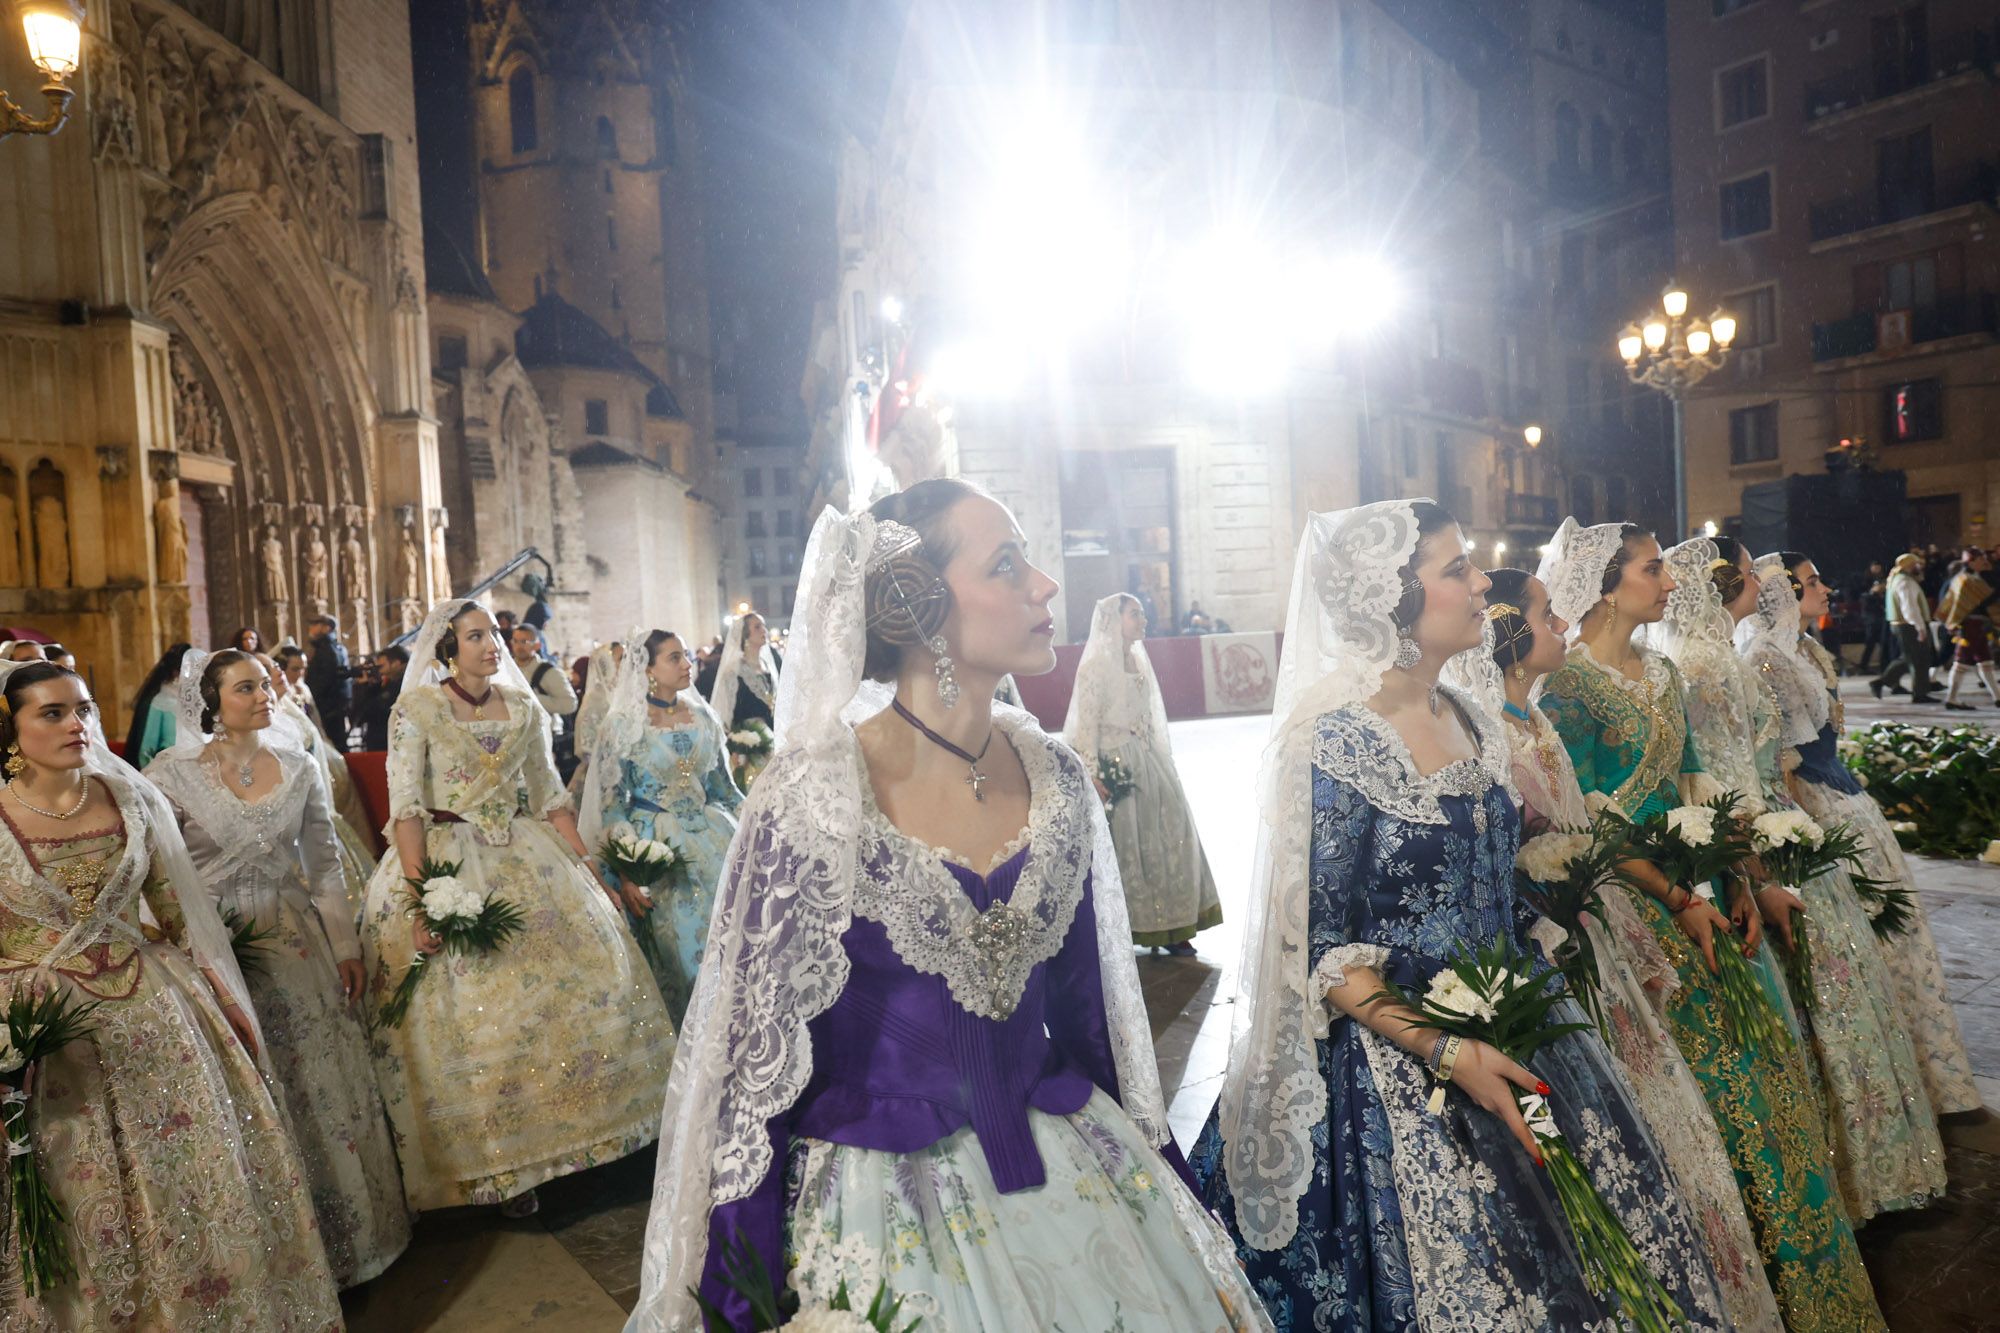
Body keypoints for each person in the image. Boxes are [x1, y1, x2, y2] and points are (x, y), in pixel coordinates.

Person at [627, 479, 1267, 1332]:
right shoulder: (818, 796)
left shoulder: (1058, 780)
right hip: (881, 1207)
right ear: (914, 603)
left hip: (1074, 1172)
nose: (1044, 586)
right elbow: (753, 1080)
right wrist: (737, 1302)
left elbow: (1094, 1022)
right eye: (1008, 565)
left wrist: (1161, 1172)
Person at [1187, 501, 1730, 1333]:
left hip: (1526, 1023)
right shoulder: (1330, 744)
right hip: (1403, 1064)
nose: (1483, 583)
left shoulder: (1471, 718)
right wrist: (1448, 1048)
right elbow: (1323, 950)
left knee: (1593, 1236)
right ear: (1391, 599)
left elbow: (1494, 885)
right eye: (1457, 569)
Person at [1534, 518, 1883, 1330]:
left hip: (1706, 900)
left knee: (1772, 1088)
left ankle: (1806, 1289)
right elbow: (1583, 828)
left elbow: (1699, 789)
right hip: (1637, 918)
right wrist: (1675, 897)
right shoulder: (1568, 691)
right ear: (1607, 583)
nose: (1669, 582)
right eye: (1654, 568)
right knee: (1703, 1108)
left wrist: (1741, 880)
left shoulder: (1660, 672)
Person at [1466, 568, 1783, 1332]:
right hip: (1547, 945)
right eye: (1547, 614)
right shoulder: (1495, 733)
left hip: (1591, 930)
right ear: (1512, 633)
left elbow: (1581, 831)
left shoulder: (1531, 723)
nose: (1563, 624)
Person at [0, 660, 344, 1328]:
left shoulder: (130, 798)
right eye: (53, 712)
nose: (78, 724)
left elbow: (179, 914)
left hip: (155, 1010)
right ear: (10, 731)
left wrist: (223, 1000)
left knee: (193, 1178)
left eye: (86, 709)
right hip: (46, 1036)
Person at [1658, 538, 1942, 1222]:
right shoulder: (1696, 665)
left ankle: (1858, 1168)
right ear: (1723, 581)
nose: (1761, 580)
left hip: (1769, 821)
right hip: (1742, 837)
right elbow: (1705, 774)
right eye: (1751, 570)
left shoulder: (1724, 656)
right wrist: (1748, 857)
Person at [362, 599, 674, 1218]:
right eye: (476, 636)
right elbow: (406, 809)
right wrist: (425, 896)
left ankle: (589, 1138)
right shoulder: (417, 709)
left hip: (529, 855)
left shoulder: (526, 705)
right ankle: (504, 1166)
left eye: (495, 635)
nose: (491, 645)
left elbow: (553, 799)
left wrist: (592, 871)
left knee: (572, 993)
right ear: (447, 649)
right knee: (486, 1012)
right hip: (452, 858)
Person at [144, 649, 411, 1287]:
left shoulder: (298, 765)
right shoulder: (168, 774)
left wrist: (345, 946)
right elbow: (158, 876)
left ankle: (349, 1243)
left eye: (266, 683)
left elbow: (322, 865)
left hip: (295, 944)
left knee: (315, 1084)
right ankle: (269, 1258)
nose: (265, 694)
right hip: (216, 946)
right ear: (211, 704)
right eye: (246, 687)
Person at [1753, 553, 1983, 1119]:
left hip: (1847, 795)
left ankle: (1932, 1077)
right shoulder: (1762, 659)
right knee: (1863, 943)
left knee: (1899, 936)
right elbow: (1780, 758)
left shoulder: (1806, 649)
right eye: (1812, 582)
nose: (1827, 588)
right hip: (1816, 804)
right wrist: (1799, 831)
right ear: (1781, 593)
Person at [579, 629, 743, 1024]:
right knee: (683, 953)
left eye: (686, 655)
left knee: (737, 942)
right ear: (648, 669)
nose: (688, 664)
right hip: (658, 850)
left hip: (713, 837)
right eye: (674, 658)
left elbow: (724, 789)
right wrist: (629, 872)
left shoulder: (704, 717)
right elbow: (613, 807)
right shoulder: (622, 726)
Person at [1062, 592, 1220, 955]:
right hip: (1116, 763)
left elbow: (1149, 716)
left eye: (1142, 614)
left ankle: (1174, 925)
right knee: (1130, 849)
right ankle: (1132, 927)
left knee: (1170, 837)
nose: (1143, 620)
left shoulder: (1136, 660)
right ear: (1113, 621)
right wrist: (1092, 774)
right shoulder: (1094, 668)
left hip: (1148, 762)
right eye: (1135, 615)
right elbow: (1086, 727)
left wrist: (1159, 760)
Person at [1871, 552, 1938, 703]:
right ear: (1909, 565)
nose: (1919, 567)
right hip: (1909, 625)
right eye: (1916, 564)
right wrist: (1920, 627)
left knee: (1910, 658)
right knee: (1919, 659)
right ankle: (1919, 693)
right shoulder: (1905, 582)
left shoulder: (1899, 579)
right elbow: (1910, 608)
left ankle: (1883, 682)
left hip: (1905, 625)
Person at [1938, 548, 1998, 709]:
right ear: (1971, 561)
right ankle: (1951, 698)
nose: (1983, 562)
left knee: (1986, 661)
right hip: (1969, 626)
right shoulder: (1965, 579)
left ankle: (1997, 697)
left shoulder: (1971, 578)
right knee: (1961, 662)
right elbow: (1963, 605)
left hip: (1979, 626)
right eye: (1980, 559)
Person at [123, 641, 191, 769]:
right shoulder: (160, 701)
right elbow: (147, 748)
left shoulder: (197, 700)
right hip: (168, 771)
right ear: (175, 671)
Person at [305, 614, 354, 748]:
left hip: (328, 706)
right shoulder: (335, 647)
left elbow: (325, 679)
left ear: (327, 628)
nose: (311, 628)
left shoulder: (326, 650)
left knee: (333, 742)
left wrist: (310, 696)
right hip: (334, 705)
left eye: (316, 625)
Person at [512, 624, 579, 720]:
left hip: (545, 730)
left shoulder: (550, 672)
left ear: (537, 645)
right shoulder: (506, 670)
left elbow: (570, 704)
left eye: (524, 642)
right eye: (515, 641)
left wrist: (530, 698)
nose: (518, 646)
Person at [356, 644, 409, 752]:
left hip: (388, 741)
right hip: (383, 739)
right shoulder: (389, 682)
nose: (378, 670)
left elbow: (374, 709)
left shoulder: (402, 684)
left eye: (381, 666)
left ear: (396, 664)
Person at [1857, 564, 1889, 674]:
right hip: (1871, 619)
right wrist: (1873, 593)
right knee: (1871, 644)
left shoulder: (1882, 583)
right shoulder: (1866, 583)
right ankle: (1863, 666)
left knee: (1883, 644)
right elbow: (1863, 599)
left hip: (1879, 618)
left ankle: (1884, 667)